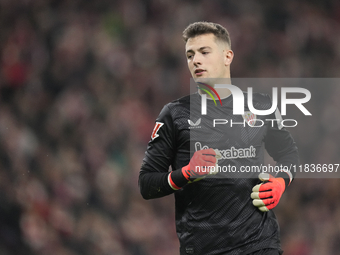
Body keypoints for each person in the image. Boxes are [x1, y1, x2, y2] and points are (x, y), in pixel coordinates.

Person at [139, 21, 299, 255]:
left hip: (260, 244)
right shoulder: (175, 114)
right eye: (190, 55)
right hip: (204, 248)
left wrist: (281, 182)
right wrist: (185, 174)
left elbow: (288, 153)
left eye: (204, 52)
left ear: (227, 56)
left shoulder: (261, 106)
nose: (196, 61)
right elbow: (147, 184)